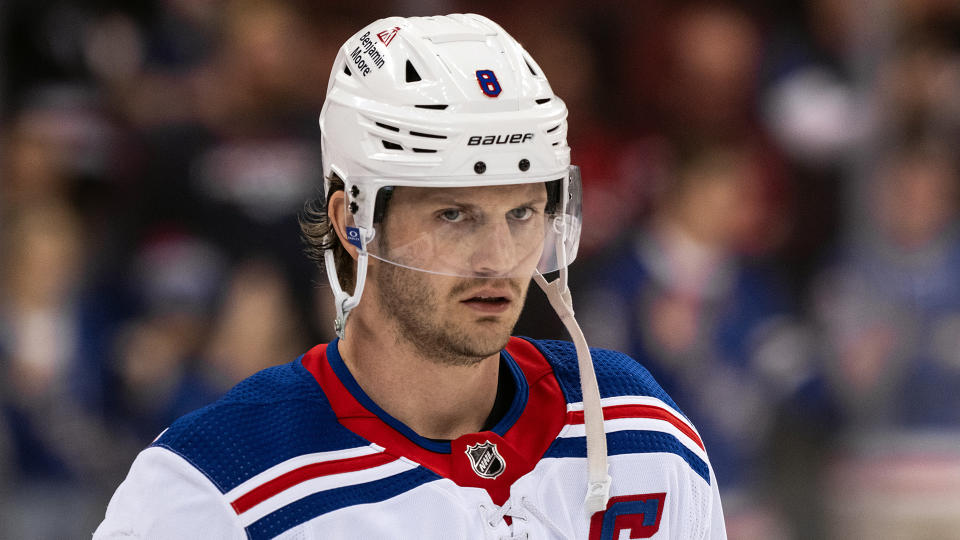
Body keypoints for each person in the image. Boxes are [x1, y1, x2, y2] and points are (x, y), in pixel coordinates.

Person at [95, 14, 725, 539]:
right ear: (352, 222)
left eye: (523, 212)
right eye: (455, 215)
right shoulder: (213, 485)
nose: (498, 257)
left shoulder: (637, 432)